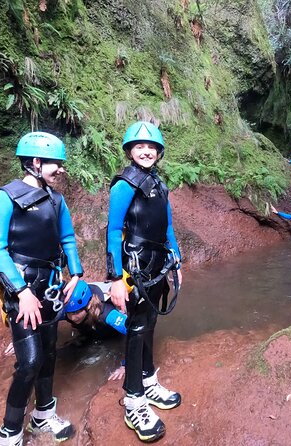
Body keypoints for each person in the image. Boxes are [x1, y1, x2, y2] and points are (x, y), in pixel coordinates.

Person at [0, 132, 83, 446]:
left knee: (49, 355)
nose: (62, 170)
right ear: (36, 162)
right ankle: (10, 431)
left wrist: (76, 274)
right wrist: (21, 292)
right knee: (28, 360)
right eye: (56, 163)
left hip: (52, 286)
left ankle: (44, 414)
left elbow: (67, 238)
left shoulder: (57, 200)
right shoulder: (7, 196)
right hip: (23, 289)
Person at [106, 121, 183, 443]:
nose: (146, 151)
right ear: (129, 151)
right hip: (134, 267)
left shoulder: (158, 185)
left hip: (157, 264)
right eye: (139, 146)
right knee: (137, 329)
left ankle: (149, 381)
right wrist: (115, 279)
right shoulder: (124, 185)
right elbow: (112, 231)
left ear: (159, 152)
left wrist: (176, 259)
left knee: (149, 325)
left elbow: (166, 227)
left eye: (151, 147)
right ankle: (133, 399)